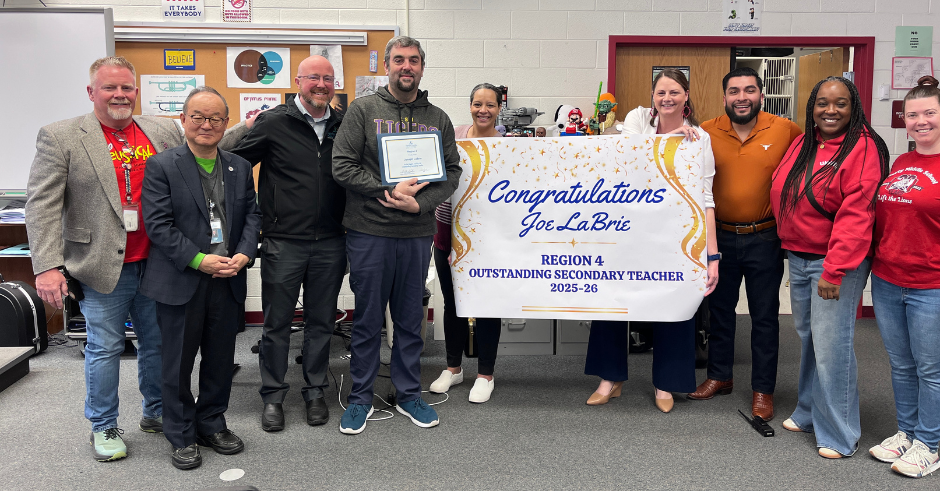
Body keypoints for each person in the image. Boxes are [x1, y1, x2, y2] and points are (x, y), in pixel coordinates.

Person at [24, 56, 248, 462]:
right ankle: (104, 424)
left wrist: (248, 125)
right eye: (110, 87)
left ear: (136, 91)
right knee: (106, 346)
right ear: (92, 92)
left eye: (126, 87)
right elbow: (41, 205)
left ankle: (157, 411)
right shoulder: (61, 136)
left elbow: (206, 141)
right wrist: (46, 265)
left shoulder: (159, 128)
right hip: (104, 262)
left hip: (162, 261)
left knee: (159, 346)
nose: (120, 94)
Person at [331, 36, 462, 434]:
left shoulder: (437, 118)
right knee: (368, 319)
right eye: (400, 59)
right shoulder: (363, 110)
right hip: (369, 231)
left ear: (422, 67)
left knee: (408, 320)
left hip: (416, 233)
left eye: (414, 60)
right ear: (387, 65)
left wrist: (419, 206)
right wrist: (387, 191)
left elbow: (451, 173)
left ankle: (408, 394)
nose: (407, 66)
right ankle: (360, 398)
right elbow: (342, 166)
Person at [583, 68, 718, 413]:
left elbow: (706, 199)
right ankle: (610, 378)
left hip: (675, 234)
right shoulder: (638, 120)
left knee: (672, 302)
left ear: (686, 96)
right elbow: (628, 160)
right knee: (612, 299)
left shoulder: (700, 139)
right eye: (661, 92)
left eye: (674, 92)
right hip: (626, 228)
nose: (667, 98)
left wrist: (712, 256)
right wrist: (671, 141)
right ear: (653, 97)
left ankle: (665, 382)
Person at [140, 87, 261, 470]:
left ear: (226, 123)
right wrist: (198, 259)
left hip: (227, 278)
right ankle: (180, 433)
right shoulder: (161, 166)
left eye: (215, 119)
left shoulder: (239, 166)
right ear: (184, 120)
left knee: (220, 360)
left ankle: (211, 423)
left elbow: (252, 216)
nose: (206, 125)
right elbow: (158, 225)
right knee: (176, 363)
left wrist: (245, 253)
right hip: (181, 280)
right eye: (198, 117)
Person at [770, 76, 890, 459]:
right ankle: (808, 410)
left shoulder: (863, 148)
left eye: (840, 103)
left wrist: (834, 270)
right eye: (822, 102)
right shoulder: (805, 142)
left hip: (834, 262)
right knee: (810, 337)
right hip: (799, 254)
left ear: (854, 108)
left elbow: (857, 215)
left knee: (832, 345)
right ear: (812, 108)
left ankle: (840, 433)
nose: (830, 110)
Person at [230, 55, 347, 432]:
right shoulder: (274, 122)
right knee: (276, 324)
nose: (321, 85)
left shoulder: (343, 124)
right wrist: (248, 217)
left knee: (321, 323)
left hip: (331, 241)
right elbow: (234, 164)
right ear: (298, 81)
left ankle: (314, 392)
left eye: (328, 79)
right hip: (283, 241)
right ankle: (273, 396)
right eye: (313, 77)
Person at [690, 67, 802, 421]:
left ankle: (763, 389)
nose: (742, 97)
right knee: (719, 312)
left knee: (764, 317)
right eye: (734, 91)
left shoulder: (785, 130)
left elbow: (811, 162)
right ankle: (719, 376)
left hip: (764, 237)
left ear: (761, 95)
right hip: (719, 237)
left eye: (749, 90)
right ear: (724, 97)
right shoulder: (706, 131)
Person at [868, 75, 940, 478]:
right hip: (888, 279)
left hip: (931, 285)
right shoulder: (902, 162)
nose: (920, 121)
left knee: (931, 369)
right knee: (901, 364)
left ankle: (930, 443)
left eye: (929, 113)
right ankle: (907, 433)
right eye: (913, 115)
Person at [428, 83, 503, 403]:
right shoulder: (454, 136)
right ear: (470, 105)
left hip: (489, 239)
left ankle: (486, 374)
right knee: (453, 303)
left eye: (490, 105)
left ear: (499, 109)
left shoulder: (508, 146)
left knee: (487, 305)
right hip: (447, 232)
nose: (483, 110)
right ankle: (453, 368)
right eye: (477, 104)